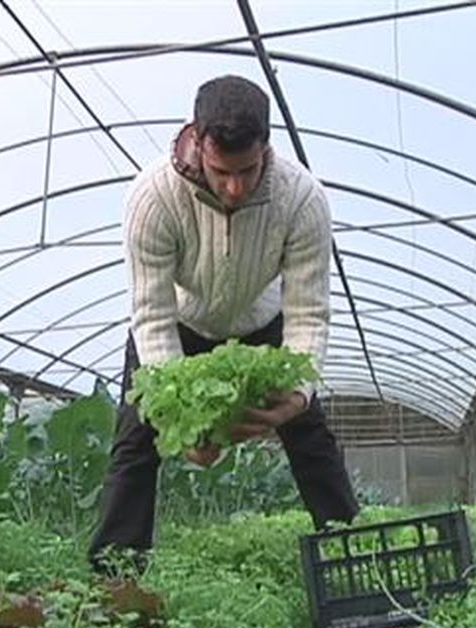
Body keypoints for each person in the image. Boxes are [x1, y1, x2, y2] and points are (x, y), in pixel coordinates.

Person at [88, 75, 359, 573]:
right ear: (197, 140)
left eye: (248, 170)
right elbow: (150, 314)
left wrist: (297, 395)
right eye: (220, 172)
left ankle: (352, 556)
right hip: (181, 323)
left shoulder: (302, 200)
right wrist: (179, 418)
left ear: (266, 149)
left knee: (310, 437)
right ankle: (115, 581)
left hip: (261, 324)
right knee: (134, 442)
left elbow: (307, 312)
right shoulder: (153, 198)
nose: (234, 187)